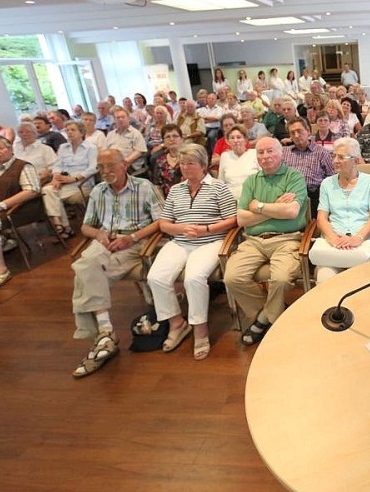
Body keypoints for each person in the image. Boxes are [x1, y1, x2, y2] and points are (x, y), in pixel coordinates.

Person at [69, 149, 163, 377]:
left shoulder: (143, 187)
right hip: (105, 241)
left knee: (84, 276)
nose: (105, 171)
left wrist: (131, 238)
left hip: (135, 242)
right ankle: (105, 333)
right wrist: (98, 234)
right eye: (101, 167)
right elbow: (85, 226)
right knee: (85, 268)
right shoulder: (98, 192)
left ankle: (103, 335)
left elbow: (162, 221)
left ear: (124, 165)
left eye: (110, 165)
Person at [147, 144, 237, 361]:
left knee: (193, 278)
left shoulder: (218, 187)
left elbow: (232, 219)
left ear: (203, 165)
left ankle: (200, 329)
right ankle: (177, 323)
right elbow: (164, 223)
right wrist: (181, 229)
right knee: (155, 277)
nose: (185, 168)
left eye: (190, 163)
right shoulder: (176, 190)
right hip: (180, 241)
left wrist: (205, 228)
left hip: (210, 241)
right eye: (182, 163)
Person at [223, 137, 308, 346]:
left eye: (270, 151)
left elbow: (291, 211)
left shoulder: (294, 177)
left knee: (280, 278)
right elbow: (242, 219)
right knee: (231, 278)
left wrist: (258, 206)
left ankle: (262, 320)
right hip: (252, 241)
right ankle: (273, 313)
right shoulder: (251, 181)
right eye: (260, 152)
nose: (265, 156)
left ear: (281, 153)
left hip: (286, 240)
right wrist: (273, 208)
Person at [311, 138, 370, 283]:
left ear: (355, 161)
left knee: (360, 282)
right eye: (334, 156)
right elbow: (321, 218)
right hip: (333, 243)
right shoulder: (326, 184)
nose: (335, 161)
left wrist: (358, 238)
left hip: (363, 242)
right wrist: (332, 238)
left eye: (341, 157)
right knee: (325, 278)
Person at [0, 135, 41, 288]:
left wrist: (2, 205)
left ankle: (1, 270)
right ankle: (4, 242)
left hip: (19, 209)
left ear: (10, 149)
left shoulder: (22, 166)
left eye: (0, 148)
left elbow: (32, 190)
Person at [42, 121, 98, 238]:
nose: (69, 132)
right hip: (64, 181)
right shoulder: (63, 147)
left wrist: (74, 178)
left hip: (81, 183)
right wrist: (56, 178)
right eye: (67, 130)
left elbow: (93, 168)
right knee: (47, 190)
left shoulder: (91, 148)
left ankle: (63, 227)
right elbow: (57, 165)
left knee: (51, 196)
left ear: (81, 132)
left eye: (73, 130)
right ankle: (61, 225)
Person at [282, 116, 335, 218]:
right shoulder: (285, 153)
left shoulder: (321, 153)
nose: (296, 135)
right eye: (292, 133)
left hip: (313, 196)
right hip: (289, 196)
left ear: (308, 131)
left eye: (299, 131)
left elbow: (332, 178)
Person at [218, 124, 258, 199]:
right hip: (230, 199)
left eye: (239, 137)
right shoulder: (225, 156)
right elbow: (221, 182)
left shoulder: (254, 153)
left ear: (245, 140)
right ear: (228, 141)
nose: (235, 140)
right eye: (232, 138)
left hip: (253, 198)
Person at [106, 107, 147, 175]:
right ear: (114, 120)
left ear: (128, 118)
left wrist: (125, 162)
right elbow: (106, 150)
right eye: (118, 118)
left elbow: (139, 151)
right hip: (112, 164)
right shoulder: (110, 134)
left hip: (129, 164)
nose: (120, 119)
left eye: (123, 117)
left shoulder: (135, 133)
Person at [150, 125, 184, 197]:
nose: (171, 139)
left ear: (181, 139)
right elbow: (157, 186)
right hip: (167, 202)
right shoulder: (160, 161)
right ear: (164, 141)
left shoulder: (190, 158)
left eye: (175, 136)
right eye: (168, 137)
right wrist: (163, 204)